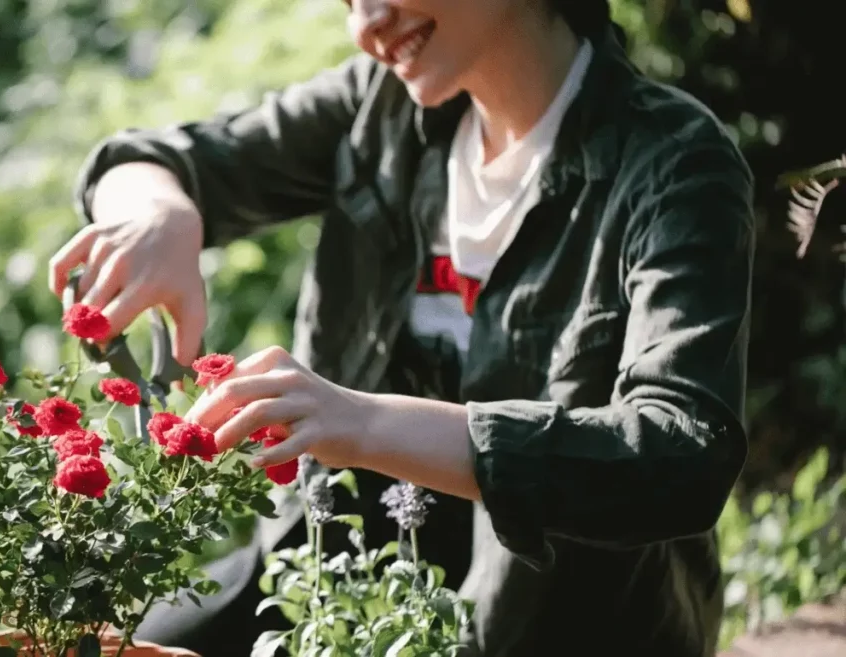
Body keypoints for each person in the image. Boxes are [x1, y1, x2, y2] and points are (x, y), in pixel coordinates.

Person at [50, 0, 755, 655]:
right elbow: (152, 160)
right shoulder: (376, 106)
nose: (369, 24)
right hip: (324, 575)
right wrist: (157, 215)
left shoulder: (672, 161)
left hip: (555, 621)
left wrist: (359, 422)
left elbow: (680, 456)